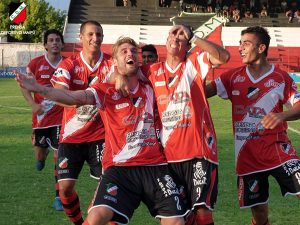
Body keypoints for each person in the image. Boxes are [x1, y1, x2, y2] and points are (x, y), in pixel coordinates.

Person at [15, 36, 189, 225]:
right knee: (97, 217)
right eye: (124, 51)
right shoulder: (105, 90)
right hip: (120, 168)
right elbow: (73, 97)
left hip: (155, 166)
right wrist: (40, 89)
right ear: (114, 62)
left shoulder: (152, 84)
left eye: (133, 51)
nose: (130, 53)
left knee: (177, 222)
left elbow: (174, 70)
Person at [115, 25, 230, 225]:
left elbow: (223, 57)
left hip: (198, 151)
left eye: (181, 37)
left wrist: (193, 36)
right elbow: (125, 68)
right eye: (172, 34)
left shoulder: (193, 63)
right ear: (165, 41)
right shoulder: (152, 70)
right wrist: (118, 76)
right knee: (183, 216)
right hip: (168, 156)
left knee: (202, 212)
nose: (176, 38)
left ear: (187, 45)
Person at [205, 26, 300, 225]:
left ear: (261, 48)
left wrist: (282, 115)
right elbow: (203, 92)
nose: (240, 48)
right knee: (259, 213)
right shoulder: (232, 77)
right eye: (240, 44)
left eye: (246, 44)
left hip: (279, 151)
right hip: (247, 157)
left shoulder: (281, 78)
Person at [50, 20, 113, 225]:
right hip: (71, 136)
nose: (96, 38)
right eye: (91, 34)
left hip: (101, 136)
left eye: (99, 35)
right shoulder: (69, 64)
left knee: (109, 185)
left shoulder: (111, 65)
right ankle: (78, 222)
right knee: (65, 187)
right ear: (81, 37)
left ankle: (95, 219)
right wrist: (84, 97)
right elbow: (58, 94)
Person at [19, 29, 65, 211]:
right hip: (40, 119)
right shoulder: (35, 64)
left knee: (59, 157)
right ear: (45, 44)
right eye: (51, 40)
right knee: (39, 156)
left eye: (57, 40)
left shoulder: (68, 64)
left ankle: (58, 198)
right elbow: (24, 86)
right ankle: (41, 154)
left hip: (62, 119)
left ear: (62, 44)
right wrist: (32, 104)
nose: (54, 43)